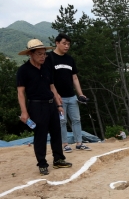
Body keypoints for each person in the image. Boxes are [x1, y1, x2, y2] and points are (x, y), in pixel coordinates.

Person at [16, 39, 72, 175]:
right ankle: (42, 163)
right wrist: (24, 112)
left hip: (51, 104)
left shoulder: (47, 67)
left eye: (44, 54)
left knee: (56, 133)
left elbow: (52, 87)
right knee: (40, 135)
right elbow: (20, 93)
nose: (43, 57)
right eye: (39, 54)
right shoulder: (23, 70)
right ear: (31, 54)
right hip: (36, 105)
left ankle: (58, 159)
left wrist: (58, 104)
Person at [47, 33, 91, 152]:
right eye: (64, 43)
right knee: (62, 121)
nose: (66, 46)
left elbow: (75, 78)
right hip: (58, 98)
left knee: (76, 119)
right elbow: (48, 80)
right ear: (57, 43)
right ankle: (64, 144)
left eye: (68, 44)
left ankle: (79, 142)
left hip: (72, 96)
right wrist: (55, 95)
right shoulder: (49, 58)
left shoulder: (69, 59)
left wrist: (80, 94)